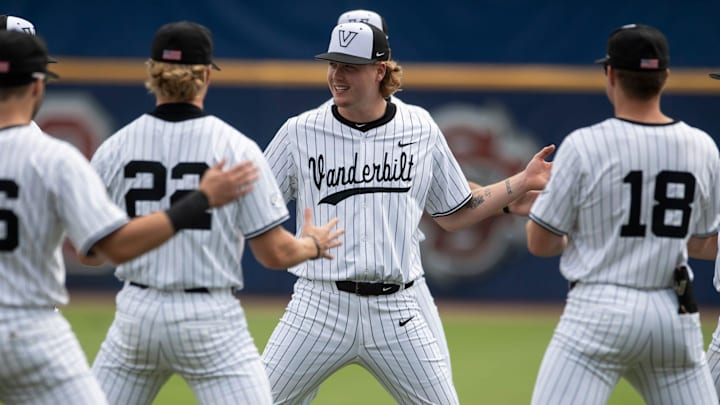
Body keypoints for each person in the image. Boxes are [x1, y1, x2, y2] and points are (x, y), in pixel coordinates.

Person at [262, 21, 554, 404]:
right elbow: (255, 211)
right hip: (319, 305)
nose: (337, 74)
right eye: (333, 63)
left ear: (379, 70)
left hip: (396, 310)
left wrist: (521, 181)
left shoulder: (419, 127)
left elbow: (454, 212)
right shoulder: (299, 131)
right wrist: (291, 246)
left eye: (349, 65)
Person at [87, 21, 343, 405]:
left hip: (136, 315)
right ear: (206, 75)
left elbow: (89, 252)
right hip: (208, 318)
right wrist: (312, 245)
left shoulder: (115, 148)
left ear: (152, 74)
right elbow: (274, 254)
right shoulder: (234, 149)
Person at [0, 30, 255, 405]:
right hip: (31, 330)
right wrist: (199, 200)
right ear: (38, 86)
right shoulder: (53, 158)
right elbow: (114, 247)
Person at [526, 24, 720, 405]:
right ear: (665, 76)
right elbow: (706, 241)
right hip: (674, 312)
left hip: (600, 310)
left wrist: (563, 223)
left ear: (611, 74)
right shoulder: (702, 146)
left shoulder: (584, 144)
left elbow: (541, 242)